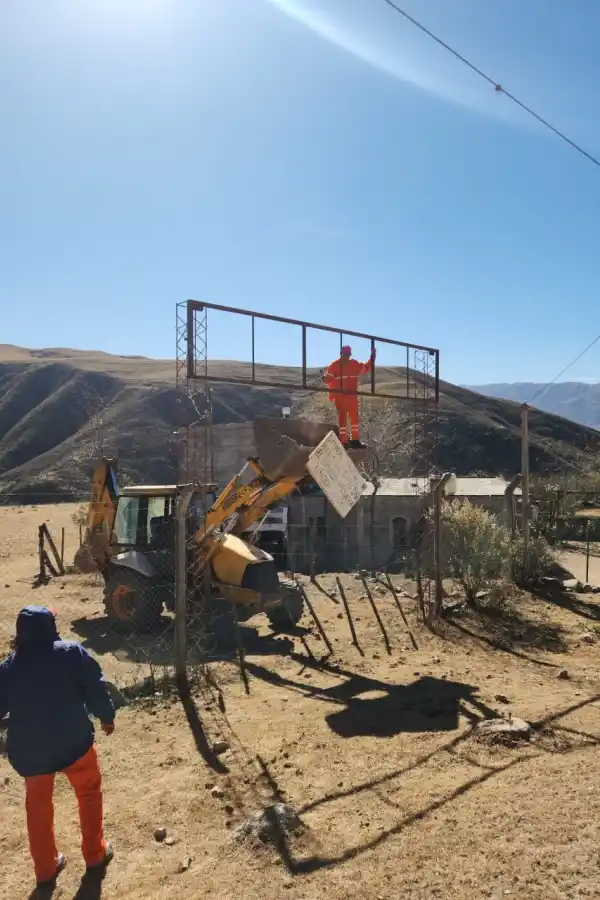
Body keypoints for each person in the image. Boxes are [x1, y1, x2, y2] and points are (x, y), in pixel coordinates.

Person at [0, 605, 116, 889]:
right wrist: (106, 715)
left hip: (32, 751)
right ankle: (94, 854)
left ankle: (45, 869)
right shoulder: (71, 653)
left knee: (37, 807)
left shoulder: (8, 668)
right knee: (88, 792)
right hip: (74, 741)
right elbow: (95, 685)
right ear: (51, 626)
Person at [324, 344, 376, 447]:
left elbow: (328, 379)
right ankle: (354, 440)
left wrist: (322, 378)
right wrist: (372, 357)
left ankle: (344, 441)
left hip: (341, 396)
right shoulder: (354, 364)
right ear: (349, 354)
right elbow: (366, 367)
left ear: (341, 353)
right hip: (351, 396)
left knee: (343, 418)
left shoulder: (334, 365)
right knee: (353, 418)